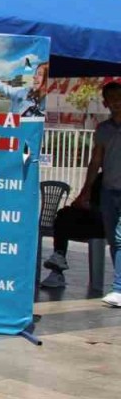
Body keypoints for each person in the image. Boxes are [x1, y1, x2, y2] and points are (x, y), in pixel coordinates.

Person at [79, 82, 121, 307]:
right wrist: (86, 190)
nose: (116, 101)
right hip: (108, 191)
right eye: (111, 98)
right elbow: (96, 161)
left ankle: (119, 288)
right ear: (105, 103)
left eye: (119, 97)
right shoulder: (103, 129)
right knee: (114, 239)